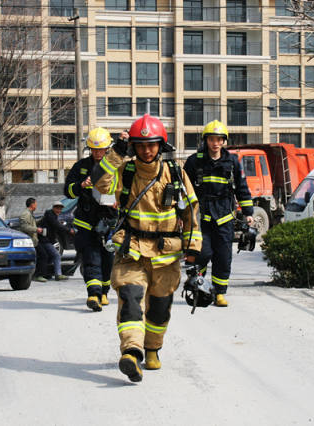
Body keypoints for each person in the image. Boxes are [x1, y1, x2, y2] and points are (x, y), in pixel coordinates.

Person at [91, 114, 201, 382]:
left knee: (159, 309)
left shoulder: (176, 174)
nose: (146, 150)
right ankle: (131, 351)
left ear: (161, 145)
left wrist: (194, 249)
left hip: (167, 255)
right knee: (130, 298)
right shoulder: (125, 172)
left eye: (151, 145)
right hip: (132, 250)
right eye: (140, 145)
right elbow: (99, 181)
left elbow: (191, 214)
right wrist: (117, 151)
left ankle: (152, 349)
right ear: (134, 147)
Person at [183, 120, 254, 307]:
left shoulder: (232, 162)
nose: (215, 143)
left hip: (225, 217)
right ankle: (201, 285)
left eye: (219, 139)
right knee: (202, 253)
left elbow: (242, 188)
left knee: (223, 257)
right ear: (206, 140)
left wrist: (248, 212)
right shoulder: (194, 161)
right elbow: (183, 188)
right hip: (202, 217)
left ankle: (220, 293)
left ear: (224, 141)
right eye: (212, 139)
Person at [64, 128, 118, 312]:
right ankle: (93, 294)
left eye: (101, 149)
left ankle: (104, 290)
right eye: (94, 150)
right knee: (90, 257)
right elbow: (68, 190)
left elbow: (125, 189)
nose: (97, 153)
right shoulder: (81, 166)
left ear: (108, 148)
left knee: (107, 258)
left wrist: (120, 202)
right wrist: (80, 185)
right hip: (85, 221)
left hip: (109, 221)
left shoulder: (116, 166)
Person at [38, 202, 74, 281]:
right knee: (56, 255)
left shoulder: (53, 216)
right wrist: (69, 230)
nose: (59, 210)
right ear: (53, 208)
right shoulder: (50, 215)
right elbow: (56, 225)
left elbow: (56, 225)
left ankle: (47, 273)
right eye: (57, 208)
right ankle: (58, 274)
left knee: (50, 256)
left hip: (47, 240)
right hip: (44, 240)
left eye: (60, 209)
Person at [19, 197, 48, 282]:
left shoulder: (30, 213)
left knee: (40, 256)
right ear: (32, 204)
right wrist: (36, 230)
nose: (36, 205)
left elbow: (32, 224)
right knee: (43, 255)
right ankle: (38, 275)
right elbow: (24, 227)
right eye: (35, 204)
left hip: (34, 241)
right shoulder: (26, 214)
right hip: (30, 241)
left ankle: (36, 274)